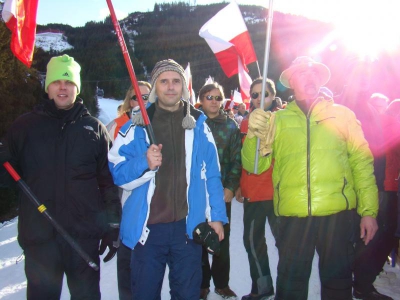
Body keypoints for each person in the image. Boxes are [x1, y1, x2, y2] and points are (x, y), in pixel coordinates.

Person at [241, 56, 379, 300]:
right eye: (302, 74)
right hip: (293, 218)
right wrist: (254, 135)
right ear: (291, 82)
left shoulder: (343, 115)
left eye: (314, 73)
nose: (309, 77)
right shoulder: (278, 119)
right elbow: (255, 165)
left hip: (337, 215)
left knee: (338, 286)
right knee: (290, 286)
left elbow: (362, 164)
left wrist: (369, 211)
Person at [108, 59, 228, 299]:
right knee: (144, 294)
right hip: (148, 231)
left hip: (187, 228)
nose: (170, 87)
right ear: (155, 87)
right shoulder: (136, 125)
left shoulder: (199, 124)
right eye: (164, 81)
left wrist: (217, 216)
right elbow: (117, 172)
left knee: (187, 295)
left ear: (183, 87)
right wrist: (144, 162)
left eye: (176, 81)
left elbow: (212, 174)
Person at [3, 54, 121, 299]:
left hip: (83, 238)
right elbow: (6, 176)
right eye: (57, 81)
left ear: (77, 88)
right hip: (39, 239)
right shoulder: (24, 127)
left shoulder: (94, 128)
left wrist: (112, 225)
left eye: (69, 82)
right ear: (48, 88)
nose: (63, 87)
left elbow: (108, 182)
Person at [337, 60, 393, 300]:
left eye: (368, 76)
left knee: (369, 237)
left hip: (371, 184)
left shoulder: (370, 108)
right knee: (346, 241)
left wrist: (378, 185)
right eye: (360, 75)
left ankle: (361, 285)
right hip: (346, 188)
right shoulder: (338, 106)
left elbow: (378, 151)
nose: (365, 80)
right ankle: (345, 287)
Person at [235, 77, 282, 300]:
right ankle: (261, 288)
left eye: (263, 93)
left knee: (286, 244)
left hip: (278, 194)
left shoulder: (282, 119)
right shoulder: (245, 122)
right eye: (254, 94)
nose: (258, 98)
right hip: (252, 194)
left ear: (272, 95)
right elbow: (241, 158)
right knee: (253, 243)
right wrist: (238, 185)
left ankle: (289, 287)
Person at [197, 82, 242, 299]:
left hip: (220, 193)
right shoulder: (192, 123)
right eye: (209, 97)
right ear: (201, 99)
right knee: (199, 239)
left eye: (217, 98)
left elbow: (236, 160)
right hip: (197, 192)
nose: (214, 102)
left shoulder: (231, 126)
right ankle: (202, 284)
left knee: (222, 240)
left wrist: (231, 187)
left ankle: (221, 283)